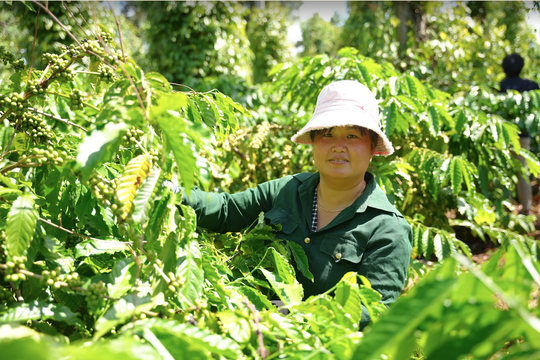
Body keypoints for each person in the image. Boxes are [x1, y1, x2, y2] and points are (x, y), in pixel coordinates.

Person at [182, 80, 413, 329]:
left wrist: (297, 316)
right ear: (313, 142)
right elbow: (227, 210)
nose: (338, 146)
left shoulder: (388, 229)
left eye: (352, 135)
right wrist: (171, 192)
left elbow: (373, 316)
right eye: (327, 134)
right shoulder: (286, 190)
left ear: (371, 148)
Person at [499, 53, 540, 214]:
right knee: (522, 170)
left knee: (506, 170)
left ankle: (506, 207)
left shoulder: (502, 86)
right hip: (523, 135)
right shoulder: (530, 86)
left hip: (505, 135)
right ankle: (526, 208)